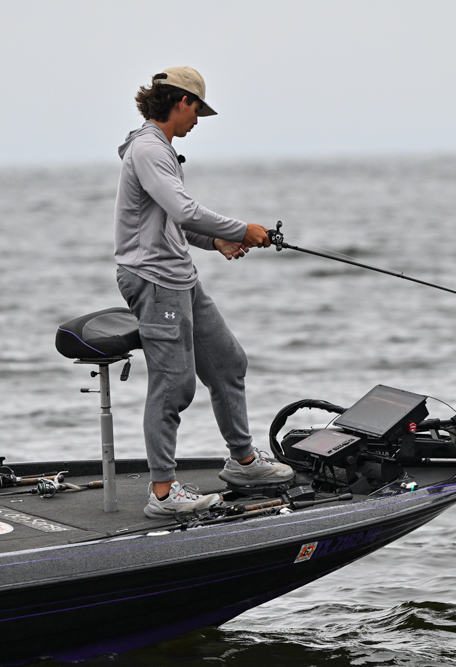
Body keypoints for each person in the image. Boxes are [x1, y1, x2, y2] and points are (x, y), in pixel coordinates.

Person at [114, 66, 294, 518]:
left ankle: (244, 463)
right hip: (155, 282)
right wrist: (242, 229)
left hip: (180, 278)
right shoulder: (148, 149)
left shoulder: (160, 150)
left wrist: (215, 241)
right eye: (198, 110)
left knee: (229, 363)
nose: (198, 120)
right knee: (173, 386)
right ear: (182, 102)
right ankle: (163, 494)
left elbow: (170, 221)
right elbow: (183, 209)